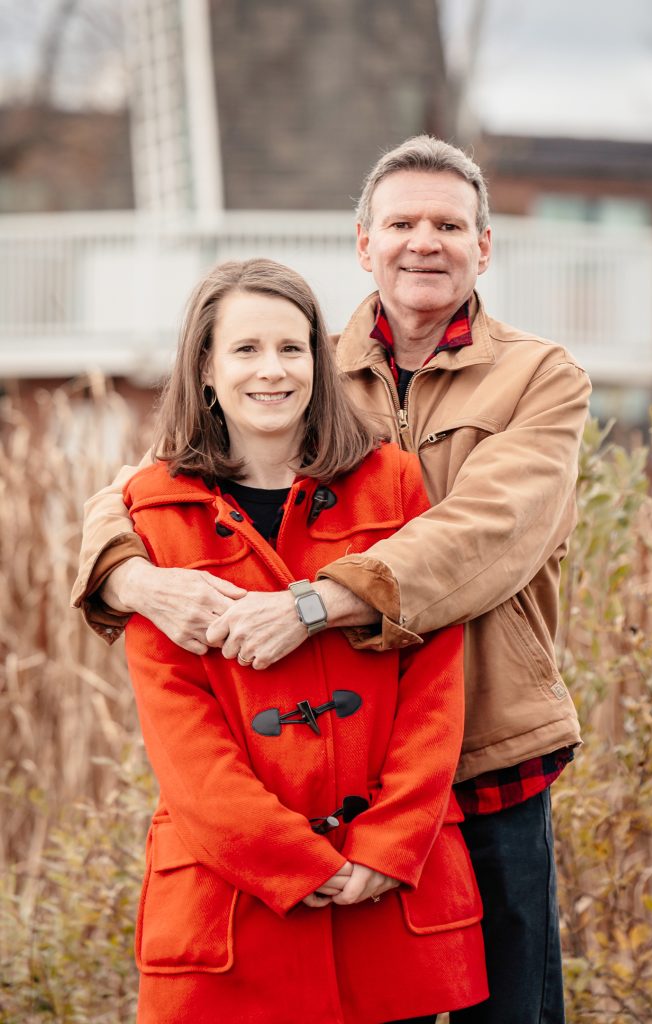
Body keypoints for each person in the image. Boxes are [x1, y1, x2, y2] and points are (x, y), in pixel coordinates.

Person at [72, 136, 592, 1024]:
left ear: (483, 245)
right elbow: (142, 489)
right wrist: (129, 579)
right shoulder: (301, 361)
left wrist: (311, 607)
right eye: (400, 222)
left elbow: (484, 533)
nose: (423, 241)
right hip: (324, 768)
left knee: (508, 1004)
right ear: (363, 242)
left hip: (484, 742)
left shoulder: (537, 377)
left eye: (448, 224)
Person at [115, 257, 487, 1023]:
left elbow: (436, 680)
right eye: (245, 350)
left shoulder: (392, 482)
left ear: (319, 366)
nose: (272, 372)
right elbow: (180, 730)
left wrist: (386, 845)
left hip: (387, 894)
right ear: (206, 371)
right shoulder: (153, 512)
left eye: (292, 349)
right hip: (233, 907)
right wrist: (290, 859)